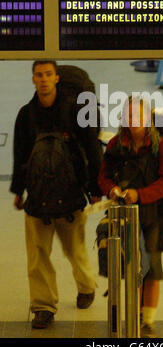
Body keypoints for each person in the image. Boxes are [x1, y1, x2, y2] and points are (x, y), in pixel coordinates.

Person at [10, 60, 102, 329]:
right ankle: (43, 306)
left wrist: (95, 189)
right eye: (39, 75)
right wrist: (18, 190)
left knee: (75, 251)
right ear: (33, 79)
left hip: (71, 195)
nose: (43, 79)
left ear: (57, 78)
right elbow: (21, 154)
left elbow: (91, 148)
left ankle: (86, 285)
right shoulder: (26, 114)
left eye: (48, 74)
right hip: (37, 199)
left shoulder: (76, 111)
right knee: (37, 256)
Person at [98, 96, 163, 338]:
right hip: (123, 213)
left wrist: (139, 194)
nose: (133, 120)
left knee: (151, 266)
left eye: (138, 115)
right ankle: (130, 312)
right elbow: (103, 177)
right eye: (129, 115)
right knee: (127, 263)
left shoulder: (161, 145)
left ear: (148, 118)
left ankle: (147, 319)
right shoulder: (114, 145)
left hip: (154, 215)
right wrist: (112, 190)